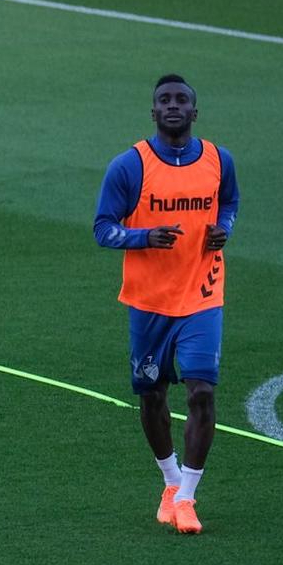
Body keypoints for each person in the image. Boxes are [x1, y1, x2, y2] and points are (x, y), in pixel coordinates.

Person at [94, 74, 238, 536]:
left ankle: (189, 498)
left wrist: (224, 229)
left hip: (202, 294)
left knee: (202, 393)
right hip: (150, 302)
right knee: (152, 396)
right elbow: (103, 227)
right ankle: (170, 482)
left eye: (181, 100)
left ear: (194, 112)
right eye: (164, 100)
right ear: (152, 112)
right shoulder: (129, 166)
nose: (172, 106)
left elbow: (229, 202)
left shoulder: (219, 160)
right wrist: (144, 237)